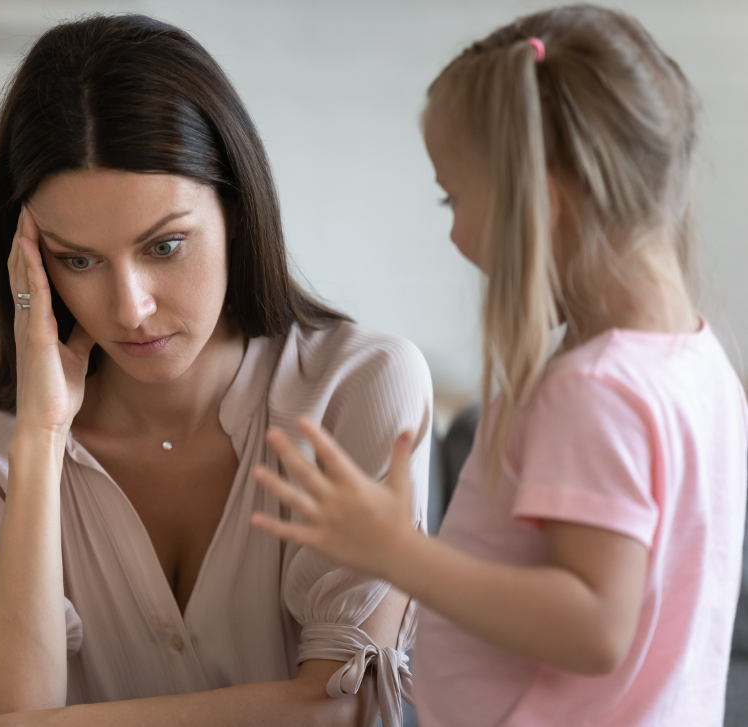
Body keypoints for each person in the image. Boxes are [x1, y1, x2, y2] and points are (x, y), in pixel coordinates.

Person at [0, 14, 433, 727]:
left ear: (236, 209)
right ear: (29, 261)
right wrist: (41, 439)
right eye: (79, 259)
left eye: (165, 245)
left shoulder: (362, 386)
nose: (130, 308)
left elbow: (339, 712)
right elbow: (0, 708)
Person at [251, 5, 747, 726]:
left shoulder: (596, 390)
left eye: (454, 196)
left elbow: (594, 625)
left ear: (540, 204)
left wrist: (396, 553)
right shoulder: (701, 363)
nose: (453, 232)